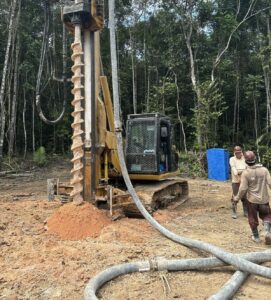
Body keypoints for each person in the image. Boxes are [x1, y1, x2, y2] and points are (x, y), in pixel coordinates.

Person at [234, 151, 271, 244]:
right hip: (264, 200)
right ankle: (267, 231)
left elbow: (243, 189)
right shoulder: (264, 170)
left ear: (245, 161)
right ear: (255, 159)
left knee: (252, 219)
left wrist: (237, 198)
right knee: (267, 216)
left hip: (252, 201)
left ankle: (256, 237)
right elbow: (270, 183)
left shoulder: (246, 173)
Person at [229, 146, 248, 219]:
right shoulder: (232, 159)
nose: (238, 154)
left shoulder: (244, 159)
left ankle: (245, 212)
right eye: (236, 152)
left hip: (245, 180)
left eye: (239, 152)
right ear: (234, 152)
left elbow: (247, 168)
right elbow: (234, 170)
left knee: (245, 197)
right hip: (236, 181)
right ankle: (234, 212)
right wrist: (238, 178)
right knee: (235, 196)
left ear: (241, 152)